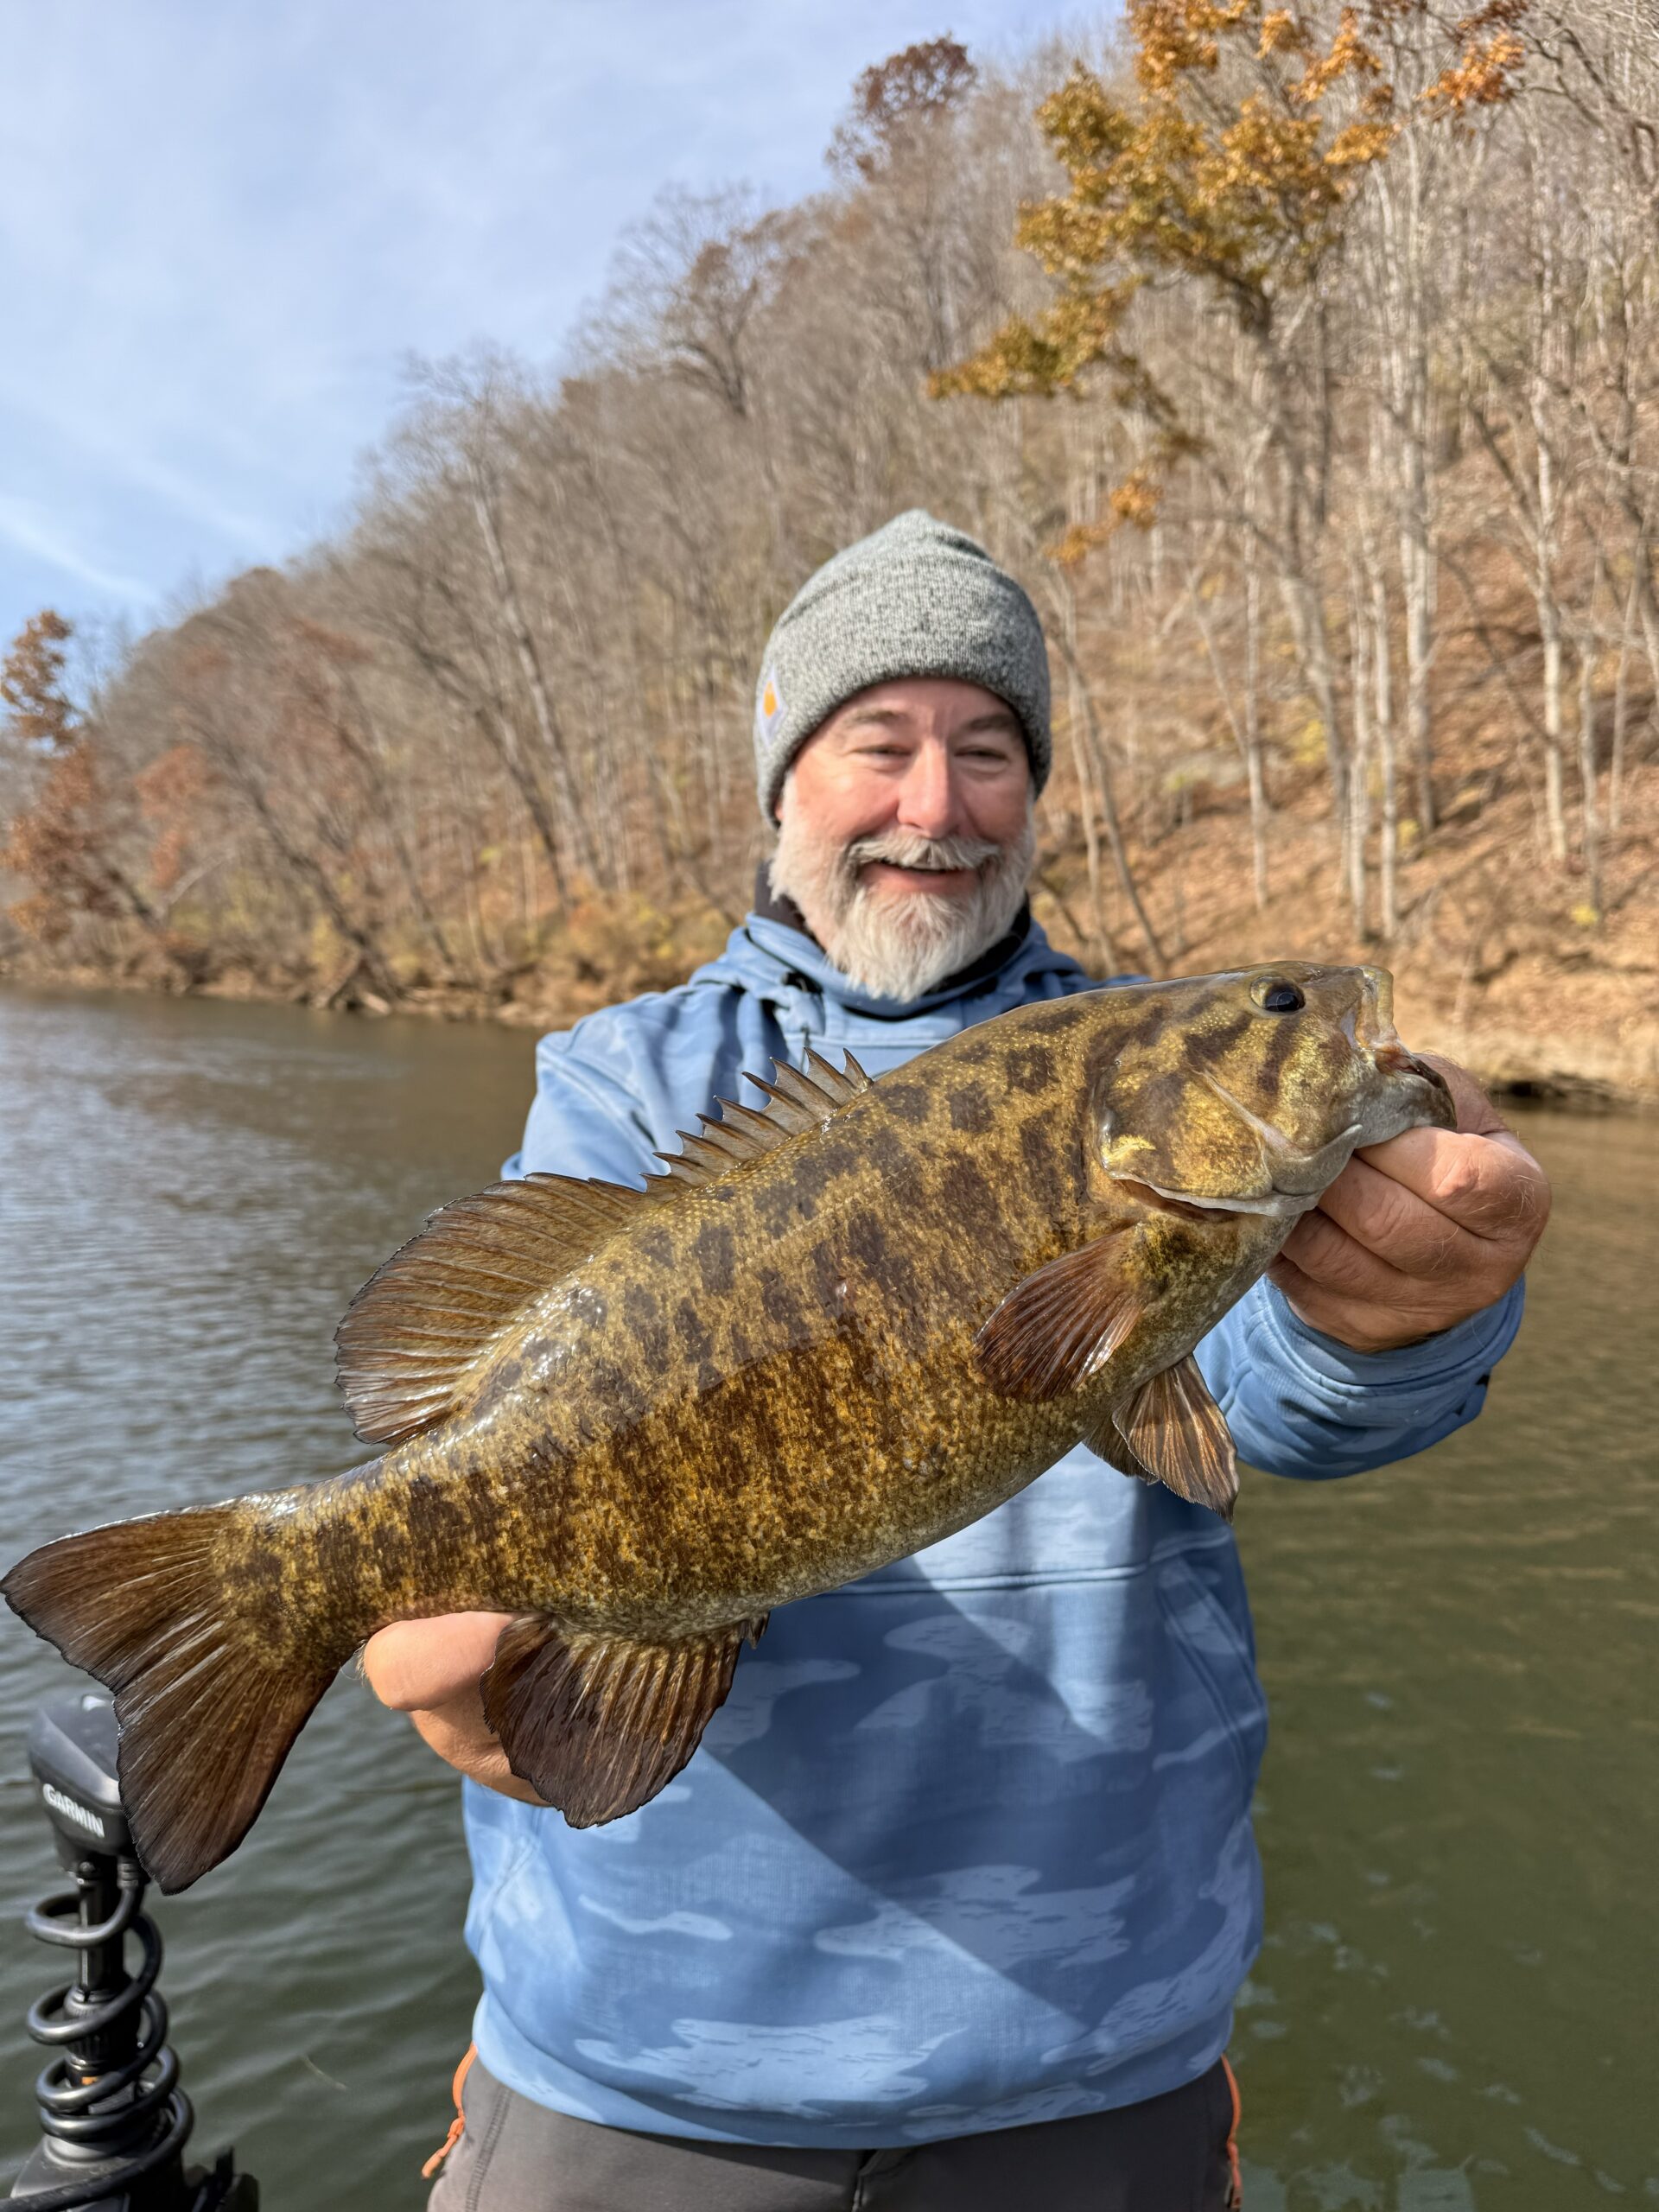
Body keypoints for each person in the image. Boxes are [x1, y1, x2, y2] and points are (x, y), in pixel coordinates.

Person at [365, 512, 1548, 2211]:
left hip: (1094, 2053)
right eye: (880, 742)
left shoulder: (1140, 1056)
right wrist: (411, 1589)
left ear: (1034, 794)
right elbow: (508, 1414)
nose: (937, 802)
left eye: (989, 749)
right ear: (783, 779)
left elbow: (1287, 1395)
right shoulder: (627, 1077)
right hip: (641, 2066)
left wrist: (1424, 1311)